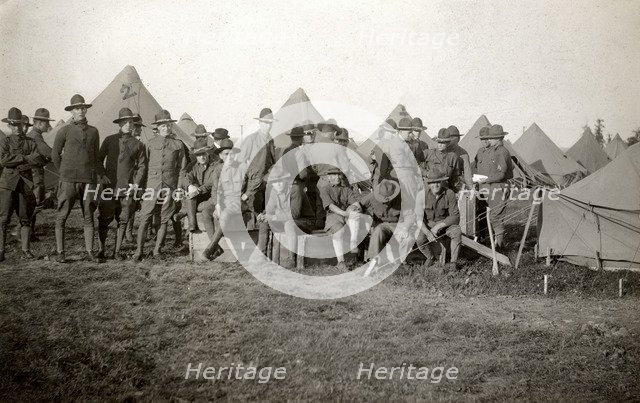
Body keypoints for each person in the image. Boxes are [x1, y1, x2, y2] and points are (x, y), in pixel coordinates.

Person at [52, 94, 103, 263]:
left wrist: (98, 176)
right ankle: (61, 252)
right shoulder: (64, 130)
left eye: (83, 108)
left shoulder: (94, 131)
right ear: (71, 111)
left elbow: (96, 157)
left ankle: (89, 251)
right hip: (68, 180)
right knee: (62, 215)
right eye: (76, 108)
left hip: (88, 180)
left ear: (86, 109)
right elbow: (55, 154)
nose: (80, 111)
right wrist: (63, 172)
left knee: (88, 215)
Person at [132, 110, 188, 260]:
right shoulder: (149, 144)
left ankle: (157, 250)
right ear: (158, 127)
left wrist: (178, 189)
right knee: (145, 217)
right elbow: (143, 167)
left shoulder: (178, 144)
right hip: (152, 185)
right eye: (163, 125)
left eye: (168, 125)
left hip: (169, 185)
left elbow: (181, 169)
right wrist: (142, 188)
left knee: (164, 218)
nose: (166, 128)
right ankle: (139, 251)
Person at [96, 108, 147, 260]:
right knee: (104, 218)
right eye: (124, 122)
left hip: (127, 189)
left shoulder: (138, 144)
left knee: (123, 219)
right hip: (109, 187)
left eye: (131, 122)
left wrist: (136, 184)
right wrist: (102, 175)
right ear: (119, 124)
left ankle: (117, 251)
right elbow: (98, 160)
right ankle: (101, 249)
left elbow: (142, 166)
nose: (128, 125)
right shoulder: (109, 140)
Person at [0, 108, 45, 261]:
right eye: (13, 125)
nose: (17, 128)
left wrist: (18, 160)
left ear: (23, 124)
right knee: (3, 218)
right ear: (9, 126)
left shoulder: (31, 142)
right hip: (7, 184)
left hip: (24, 183)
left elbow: (37, 159)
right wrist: (25, 158)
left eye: (19, 124)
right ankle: (1, 250)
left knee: (25, 218)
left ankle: (26, 251)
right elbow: (3, 160)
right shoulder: (4, 141)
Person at [257, 165, 315, 269]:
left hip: (303, 222)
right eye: (275, 182)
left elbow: (295, 214)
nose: (278, 184)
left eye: (280, 181)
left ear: (286, 180)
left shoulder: (295, 189)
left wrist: (273, 217)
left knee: (289, 224)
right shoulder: (275, 191)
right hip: (284, 220)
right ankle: (262, 255)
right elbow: (270, 209)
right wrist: (264, 215)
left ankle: (291, 259)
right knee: (264, 222)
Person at [201, 139, 245, 260]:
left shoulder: (241, 168)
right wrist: (217, 205)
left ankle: (210, 248)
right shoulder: (218, 169)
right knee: (206, 212)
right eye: (226, 154)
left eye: (232, 154)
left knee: (224, 214)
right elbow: (215, 190)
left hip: (236, 201)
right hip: (222, 201)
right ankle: (217, 248)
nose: (229, 157)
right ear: (220, 155)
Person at [474, 124, 513, 250]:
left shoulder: (501, 152)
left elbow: (501, 174)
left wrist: (486, 179)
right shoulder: (488, 151)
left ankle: (499, 246)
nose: (488, 140)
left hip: (498, 187)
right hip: (486, 187)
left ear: (497, 138)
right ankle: (489, 240)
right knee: (485, 215)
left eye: (490, 138)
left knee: (496, 216)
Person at [416, 169, 462, 272]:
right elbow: (418, 218)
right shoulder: (421, 195)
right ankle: (430, 257)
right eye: (432, 182)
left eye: (438, 182)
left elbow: (455, 216)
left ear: (442, 182)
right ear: (428, 183)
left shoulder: (449, 193)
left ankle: (453, 262)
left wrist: (439, 226)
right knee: (419, 238)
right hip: (428, 224)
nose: (435, 185)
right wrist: (428, 233)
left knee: (457, 232)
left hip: (445, 224)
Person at [319, 167, 363, 270]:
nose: (338, 177)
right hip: (333, 216)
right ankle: (341, 262)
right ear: (328, 177)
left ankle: (353, 242)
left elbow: (356, 203)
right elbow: (330, 206)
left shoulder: (346, 189)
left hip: (346, 215)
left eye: (339, 174)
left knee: (355, 211)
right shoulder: (325, 189)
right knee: (338, 230)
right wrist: (345, 213)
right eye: (334, 175)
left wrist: (356, 208)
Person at [238, 108, 276, 216]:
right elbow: (241, 163)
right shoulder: (251, 139)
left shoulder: (270, 140)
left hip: (267, 181)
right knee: (253, 209)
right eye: (265, 123)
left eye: (270, 124)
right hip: (252, 184)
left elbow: (273, 162)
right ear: (260, 123)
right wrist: (245, 191)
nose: (268, 126)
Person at [27, 108, 55, 240]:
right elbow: (48, 153)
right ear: (38, 123)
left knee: (35, 202)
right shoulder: (36, 136)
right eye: (46, 123)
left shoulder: (33, 135)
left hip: (34, 172)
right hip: (35, 173)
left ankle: (28, 232)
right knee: (37, 202)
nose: (48, 125)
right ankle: (22, 231)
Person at [183, 146, 215, 233]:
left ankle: (184, 212)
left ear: (208, 154)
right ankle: (192, 224)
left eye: (204, 154)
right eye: (198, 155)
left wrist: (198, 190)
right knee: (190, 193)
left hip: (210, 196)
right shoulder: (192, 166)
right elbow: (186, 177)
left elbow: (211, 183)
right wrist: (190, 186)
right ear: (196, 156)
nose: (202, 157)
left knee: (193, 196)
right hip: (196, 198)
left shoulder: (215, 165)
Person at [126, 114, 145, 242]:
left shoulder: (141, 143)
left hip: (140, 177)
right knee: (129, 205)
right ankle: (127, 232)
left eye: (139, 127)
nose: (138, 129)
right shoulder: (127, 142)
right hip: (129, 177)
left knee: (139, 204)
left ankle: (143, 232)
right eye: (136, 126)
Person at [445, 125, 473, 191]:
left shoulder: (463, 153)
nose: (450, 141)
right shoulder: (443, 151)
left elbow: (467, 173)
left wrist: (471, 188)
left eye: (453, 138)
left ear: (458, 139)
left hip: (456, 184)